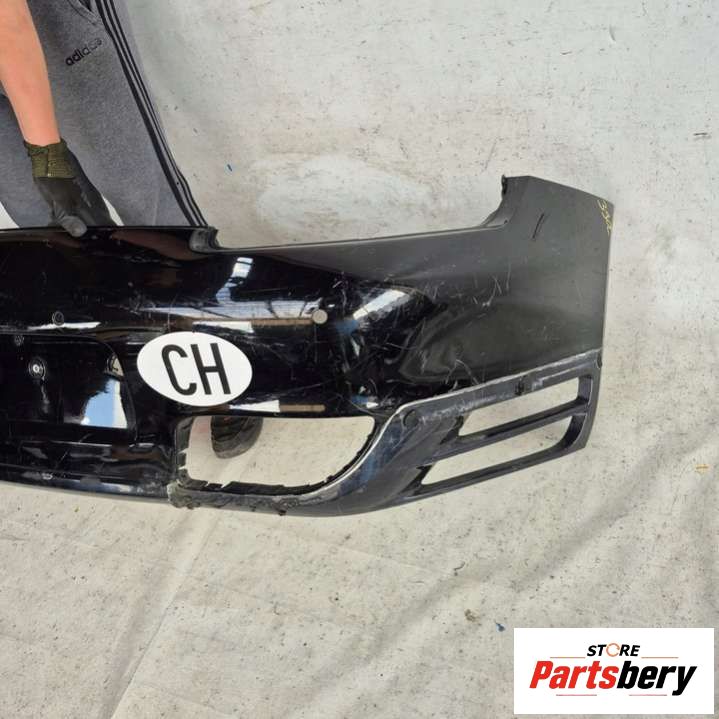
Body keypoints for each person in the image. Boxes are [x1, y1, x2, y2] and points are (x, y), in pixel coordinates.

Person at [0, 0, 260, 456]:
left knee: (145, 205)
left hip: (45, 15)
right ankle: (131, 372)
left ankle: (217, 357)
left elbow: (8, 22)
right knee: (54, 232)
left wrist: (47, 157)